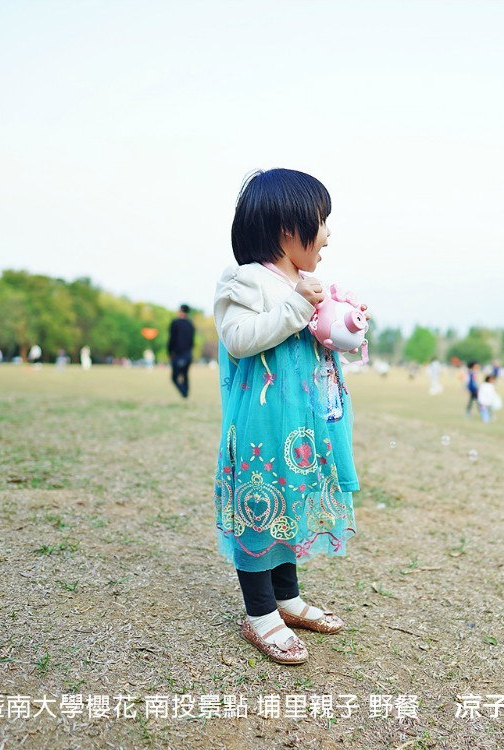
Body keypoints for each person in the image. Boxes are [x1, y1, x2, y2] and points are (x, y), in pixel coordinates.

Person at [212, 168, 365, 666]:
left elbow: (321, 344)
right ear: (286, 229)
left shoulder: (307, 283)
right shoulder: (246, 281)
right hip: (261, 425)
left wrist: (346, 322)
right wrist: (299, 307)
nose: (327, 234)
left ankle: (288, 599)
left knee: (292, 506)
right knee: (261, 507)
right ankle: (260, 614)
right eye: (320, 221)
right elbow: (239, 337)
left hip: (304, 424)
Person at [168, 304, 195, 398]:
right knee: (185, 375)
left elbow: (172, 339)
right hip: (188, 354)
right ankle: (186, 393)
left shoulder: (175, 323)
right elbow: (192, 341)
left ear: (180, 310)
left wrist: (169, 352)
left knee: (174, 377)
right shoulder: (190, 324)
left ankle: (184, 393)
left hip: (178, 354)